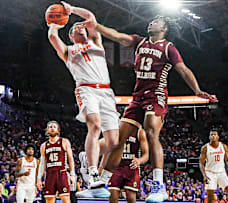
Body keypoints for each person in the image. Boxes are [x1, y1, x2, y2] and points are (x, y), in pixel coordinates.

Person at [82, 8, 217, 202]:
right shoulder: (140, 42)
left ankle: (158, 185)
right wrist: (95, 26)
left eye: (155, 22)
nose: (150, 23)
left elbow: (183, 69)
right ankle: (101, 182)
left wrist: (197, 90)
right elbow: (118, 36)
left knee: (151, 131)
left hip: (156, 95)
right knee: (119, 139)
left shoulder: (168, 47)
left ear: (164, 27)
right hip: (137, 97)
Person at [47, 1, 120, 188]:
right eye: (76, 28)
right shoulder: (68, 51)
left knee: (113, 142)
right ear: (71, 35)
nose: (80, 27)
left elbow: (91, 18)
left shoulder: (96, 43)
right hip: (86, 89)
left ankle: (86, 157)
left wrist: (71, 10)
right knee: (94, 125)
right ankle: (93, 173)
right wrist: (55, 23)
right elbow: (53, 37)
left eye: (82, 27)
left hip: (106, 91)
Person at [36, 121, 76, 203]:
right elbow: (42, 163)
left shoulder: (64, 141)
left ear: (58, 130)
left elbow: (70, 158)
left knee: (65, 199)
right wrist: (39, 178)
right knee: (49, 199)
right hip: (49, 174)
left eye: (54, 127)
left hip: (62, 173)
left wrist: (72, 174)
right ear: (47, 130)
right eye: (50, 127)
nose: (52, 128)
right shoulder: (44, 145)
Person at [108, 127, 149, 203]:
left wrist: (139, 160)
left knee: (131, 198)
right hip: (116, 167)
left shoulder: (139, 132)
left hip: (131, 167)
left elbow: (146, 155)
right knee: (112, 197)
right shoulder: (115, 129)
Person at [199, 130, 228, 203]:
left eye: (215, 134)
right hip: (210, 173)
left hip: (221, 172)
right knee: (210, 197)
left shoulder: (223, 146)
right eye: (211, 135)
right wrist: (204, 175)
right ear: (209, 137)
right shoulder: (205, 148)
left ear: (218, 137)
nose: (213, 136)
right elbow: (201, 163)